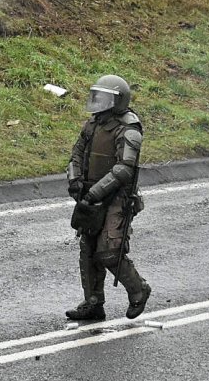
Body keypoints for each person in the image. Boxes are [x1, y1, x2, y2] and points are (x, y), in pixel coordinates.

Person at [65, 75, 151, 321]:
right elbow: (76, 154)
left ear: (118, 100)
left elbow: (124, 168)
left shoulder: (129, 128)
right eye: (97, 96)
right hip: (89, 195)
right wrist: (75, 180)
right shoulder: (92, 125)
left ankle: (138, 289)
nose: (99, 102)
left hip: (116, 198)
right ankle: (93, 303)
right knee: (88, 249)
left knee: (109, 251)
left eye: (105, 97)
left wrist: (95, 192)